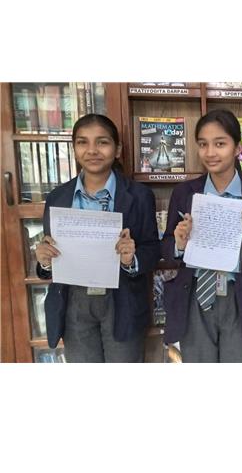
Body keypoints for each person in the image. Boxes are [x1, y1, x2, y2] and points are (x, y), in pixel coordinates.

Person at [35, 114, 160, 362]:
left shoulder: (139, 196)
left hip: (122, 301)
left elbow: (153, 250)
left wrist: (131, 259)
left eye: (102, 142)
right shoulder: (58, 198)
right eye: (83, 142)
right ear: (74, 149)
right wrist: (45, 261)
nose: (92, 150)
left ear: (117, 150)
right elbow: (50, 257)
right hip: (74, 302)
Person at [161, 109, 242, 362]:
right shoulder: (184, 193)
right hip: (194, 298)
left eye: (220, 144)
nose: (210, 152)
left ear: (238, 148)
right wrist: (178, 244)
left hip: (240, 299)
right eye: (203, 144)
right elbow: (166, 251)